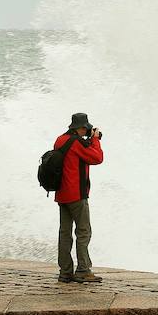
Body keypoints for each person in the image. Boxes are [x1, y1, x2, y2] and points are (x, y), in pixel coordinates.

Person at [55, 112, 104, 283]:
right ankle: (83, 269)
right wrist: (95, 140)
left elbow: (76, 155)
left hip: (62, 194)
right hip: (76, 194)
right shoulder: (76, 143)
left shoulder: (60, 139)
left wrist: (89, 141)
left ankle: (65, 271)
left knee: (65, 233)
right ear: (82, 127)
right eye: (86, 128)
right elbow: (97, 158)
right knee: (83, 232)